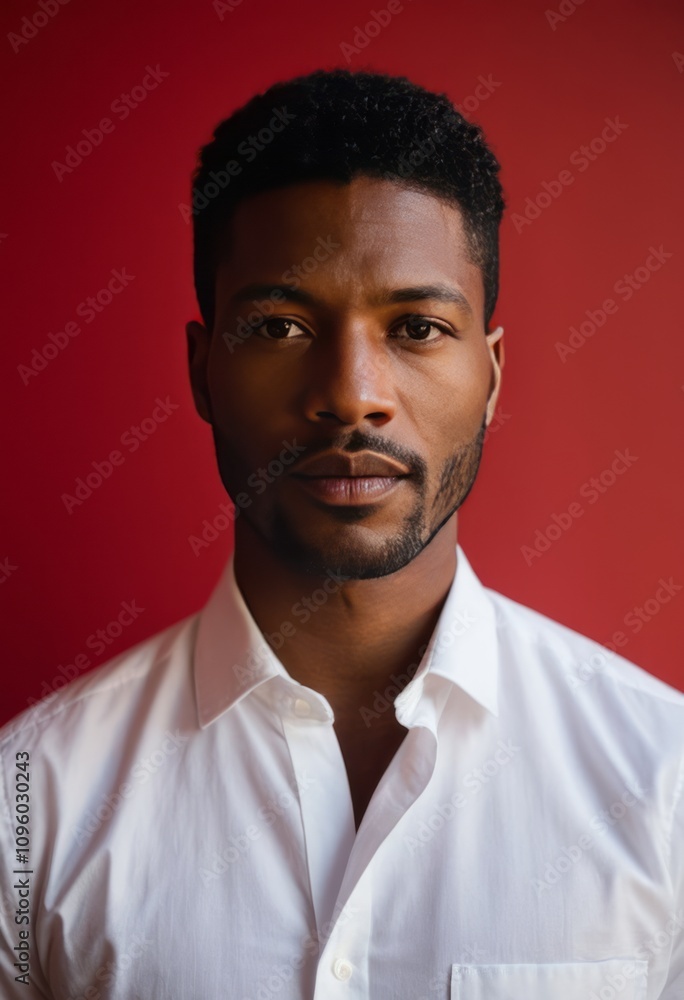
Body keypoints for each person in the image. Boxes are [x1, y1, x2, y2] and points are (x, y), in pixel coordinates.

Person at [1, 68, 682, 1000]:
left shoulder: (665, 782)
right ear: (203, 371)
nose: (353, 393)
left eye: (416, 326)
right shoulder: (28, 806)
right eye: (279, 325)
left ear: (491, 375)